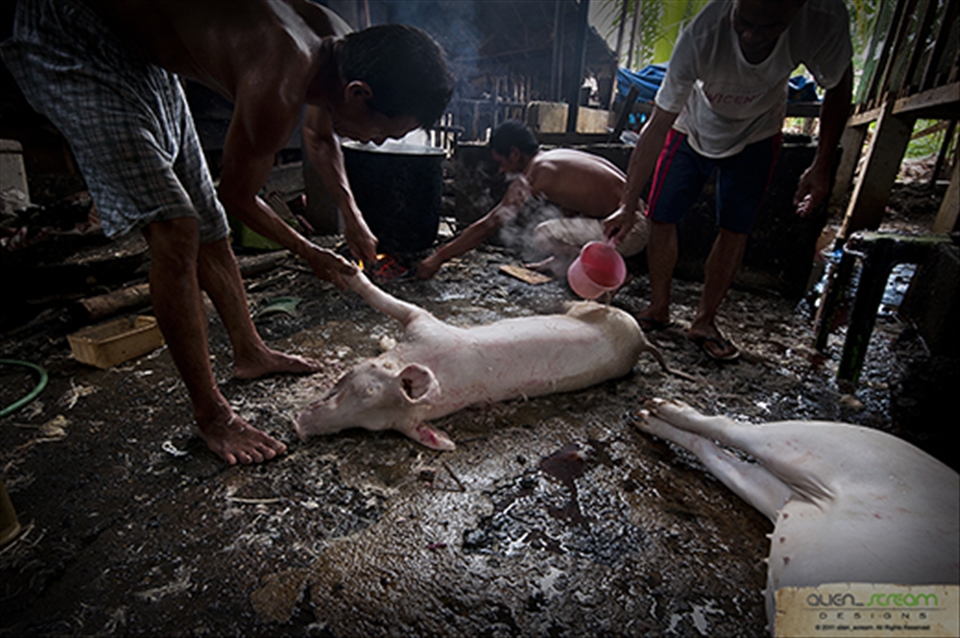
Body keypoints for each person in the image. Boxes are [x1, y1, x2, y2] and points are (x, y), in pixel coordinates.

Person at [1, 0, 453, 464]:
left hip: (144, 57)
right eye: (381, 132)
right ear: (358, 94)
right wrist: (309, 252)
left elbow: (320, 137)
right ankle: (211, 417)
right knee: (177, 229)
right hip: (74, 32)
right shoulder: (280, 79)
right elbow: (238, 198)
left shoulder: (342, 48)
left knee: (208, 226)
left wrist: (353, 216)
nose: (375, 142)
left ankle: (249, 351)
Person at [604, 0, 852, 361]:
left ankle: (704, 321)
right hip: (689, 126)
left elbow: (839, 87)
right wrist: (627, 205)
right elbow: (657, 125)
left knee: (736, 227)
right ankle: (659, 308)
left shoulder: (823, 19)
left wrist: (822, 165)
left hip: (758, 131)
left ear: (795, 10)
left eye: (768, 27)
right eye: (744, 22)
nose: (752, 35)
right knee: (661, 214)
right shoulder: (701, 36)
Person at [416, 120, 648, 279]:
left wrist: (439, 257)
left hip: (630, 230)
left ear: (515, 153)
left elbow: (489, 224)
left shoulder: (536, 173)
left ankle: (606, 273)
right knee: (557, 224)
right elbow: (573, 207)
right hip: (635, 220)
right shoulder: (554, 158)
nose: (500, 170)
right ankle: (559, 263)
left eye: (500, 162)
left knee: (543, 233)